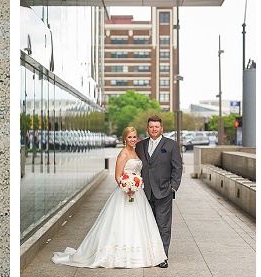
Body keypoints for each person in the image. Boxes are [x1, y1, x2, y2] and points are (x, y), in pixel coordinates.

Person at [52, 126, 167, 268]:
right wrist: (127, 187)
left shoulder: (136, 152)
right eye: (129, 137)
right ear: (125, 138)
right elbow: (118, 176)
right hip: (125, 193)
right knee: (120, 223)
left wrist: (135, 186)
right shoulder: (123, 154)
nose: (132, 140)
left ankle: (140, 255)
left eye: (134, 137)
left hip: (138, 194)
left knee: (138, 223)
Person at [135, 115, 182, 268]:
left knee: (163, 225)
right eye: (151, 127)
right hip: (144, 192)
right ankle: (148, 255)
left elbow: (177, 168)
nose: (154, 129)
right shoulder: (140, 146)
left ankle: (162, 257)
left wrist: (173, 187)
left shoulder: (171, 145)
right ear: (147, 128)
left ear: (161, 128)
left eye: (157, 127)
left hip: (164, 192)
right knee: (147, 225)